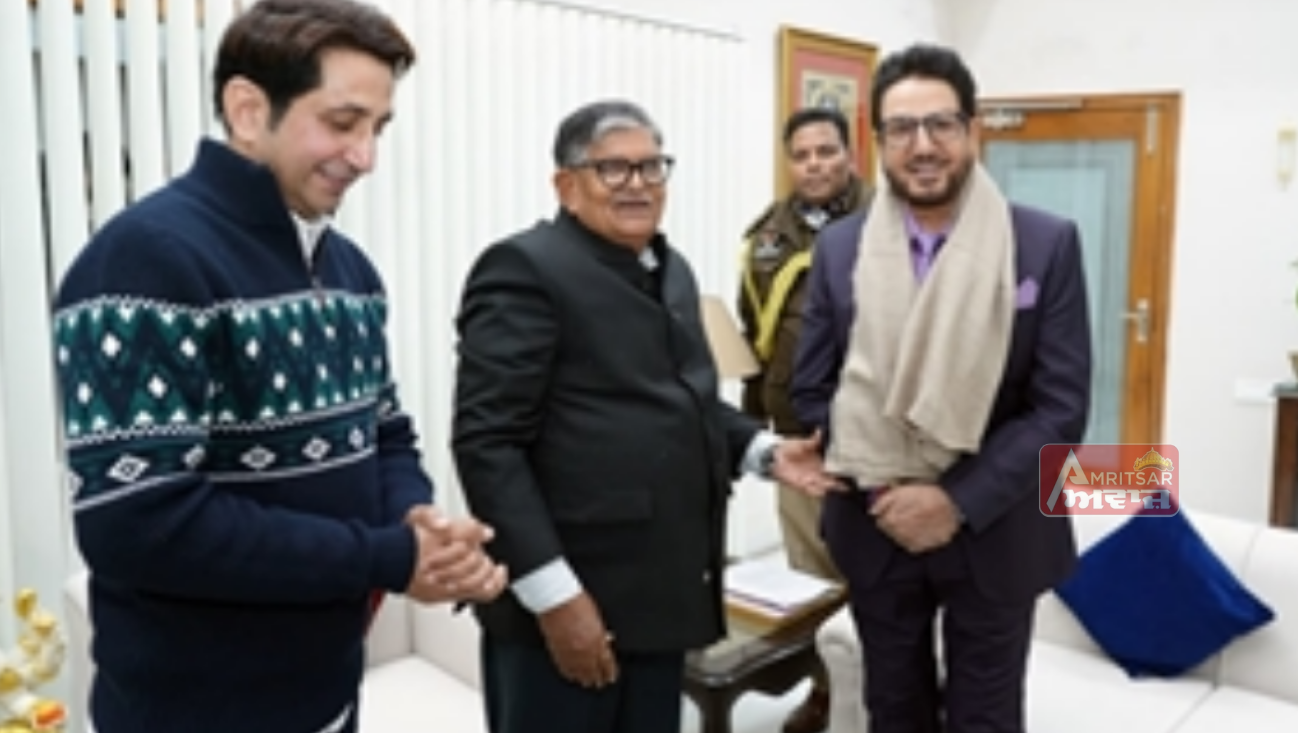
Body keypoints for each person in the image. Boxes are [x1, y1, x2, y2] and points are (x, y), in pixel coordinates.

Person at [50, 0, 506, 733]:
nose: (365, 157)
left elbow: (384, 434)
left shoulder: (349, 270)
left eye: (378, 128)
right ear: (247, 109)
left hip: (327, 694)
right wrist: (388, 556)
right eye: (342, 123)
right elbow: (140, 525)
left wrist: (414, 516)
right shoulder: (145, 259)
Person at [451, 99, 836, 733]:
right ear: (566, 185)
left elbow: (684, 399)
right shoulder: (524, 268)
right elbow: (487, 444)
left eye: (652, 167)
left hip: (663, 600)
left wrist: (763, 451)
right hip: (572, 601)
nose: (638, 184)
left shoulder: (670, 268)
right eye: (613, 169)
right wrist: (556, 599)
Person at [791, 43, 1091, 733]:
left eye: (941, 125)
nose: (922, 146)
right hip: (877, 521)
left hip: (997, 528)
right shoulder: (839, 248)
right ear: (878, 141)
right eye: (902, 128)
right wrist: (882, 484)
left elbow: (1060, 409)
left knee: (986, 718)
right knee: (894, 712)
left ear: (972, 129)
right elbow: (812, 389)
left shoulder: (1044, 243)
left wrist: (955, 500)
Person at [738, 106, 873, 733]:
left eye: (826, 151)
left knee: (875, 567)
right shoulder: (768, 236)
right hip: (798, 431)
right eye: (802, 154)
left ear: (850, 154)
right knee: (810, 567)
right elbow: (755, 332)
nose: (814, 164)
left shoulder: (888, 220)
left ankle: (891, 689)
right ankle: (825, 689)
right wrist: (754, 422)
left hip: (873, 430)